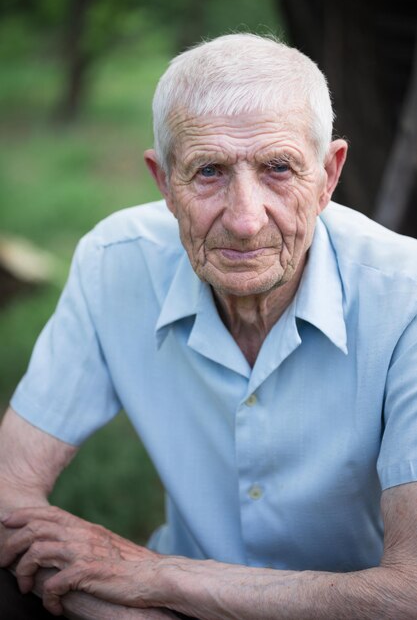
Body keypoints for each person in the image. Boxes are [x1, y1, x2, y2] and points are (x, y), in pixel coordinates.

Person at [1, 32, 417, 620]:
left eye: (278, 168)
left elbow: (409, 594)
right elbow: (6, 493)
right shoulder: (117, 260)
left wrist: (155, 576)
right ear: (164, 182)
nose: (246, 222)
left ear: (328, 175)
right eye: (209, 172)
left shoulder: (407, 299)